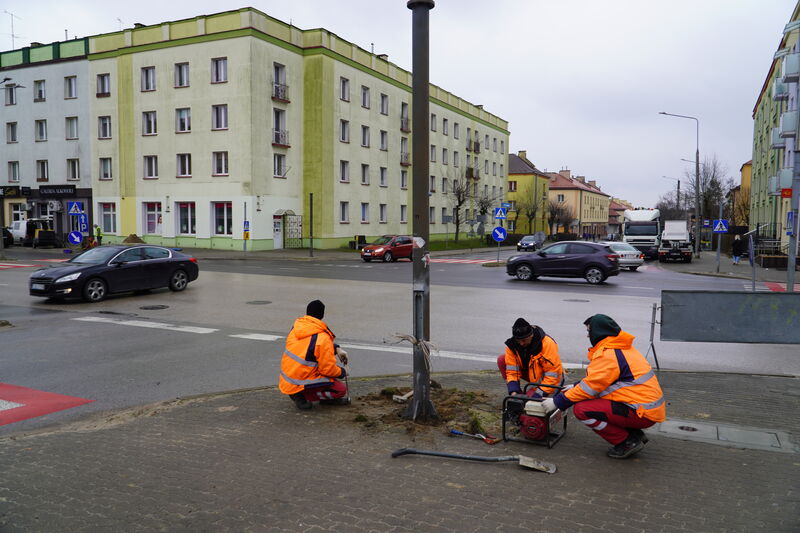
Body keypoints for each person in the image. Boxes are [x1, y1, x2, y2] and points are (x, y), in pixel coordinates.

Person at [543, 314, 665, 459]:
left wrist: (558, 402)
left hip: (641, 413)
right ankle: (633, 434)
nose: (588, 335)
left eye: (589, 331)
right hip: (645, 409)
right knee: (591, 403)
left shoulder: (608, 354)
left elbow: (591, 387)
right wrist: (575, 386)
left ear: (598, 332)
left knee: (582, 410)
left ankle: (626, 441)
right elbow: (602, 380)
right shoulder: (621, 348)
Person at [279, 300, 349, 410]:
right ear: (322, 315)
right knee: (340, 390)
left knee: (328, 378)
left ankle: (296, 393)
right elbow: (327, 370)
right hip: (301, 379)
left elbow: (311, 344)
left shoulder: (297, 327)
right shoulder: (322, 337)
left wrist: (336, 348)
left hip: (290, 377)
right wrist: (343, 372)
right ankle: (301, 396)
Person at [498, 318, 564, 398]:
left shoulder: (547, 343)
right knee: (502, 359)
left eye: (524, 340)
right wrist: (514, 392)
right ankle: (518, 393)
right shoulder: (512, 345)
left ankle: (541, 393)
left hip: (550, 379)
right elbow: (512, 372)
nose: (521, 343)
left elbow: (553, 374)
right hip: (531, 373)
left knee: (529, 401)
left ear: (531, 335)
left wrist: (538, 394)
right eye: (519, 340)